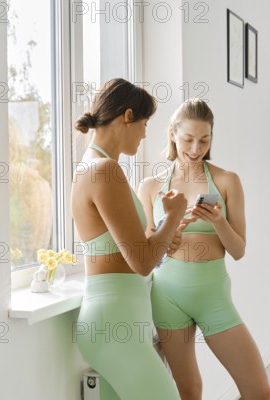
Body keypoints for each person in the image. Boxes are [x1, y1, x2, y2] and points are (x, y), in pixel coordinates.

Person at [138, 99, 270, 400]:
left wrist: (219, 221)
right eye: (188, 139)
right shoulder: (150, 187)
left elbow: (238, 250)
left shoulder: (226, 181)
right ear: (173, 134)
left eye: (204, 140)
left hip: (213, 296)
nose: (196, 148)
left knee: (259, 393)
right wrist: (169, 233)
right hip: (167, 296)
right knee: (189, 390)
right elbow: (147, 254)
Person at [71, 78, 188, 400]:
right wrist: (175, 214)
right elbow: (142, 262)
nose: (146, 133)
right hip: (115, 325)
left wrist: (163, 236)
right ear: (127, 116)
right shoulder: (105, 170)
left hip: (115, 321)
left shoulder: (92, 168)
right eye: (145, 122)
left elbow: (134, 251)